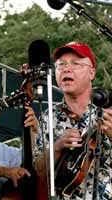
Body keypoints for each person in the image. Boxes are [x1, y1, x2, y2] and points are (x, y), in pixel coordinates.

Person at [34, 41, 112, 200]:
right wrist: (57, 147)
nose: (66, 69)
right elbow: (37, 174)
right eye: (60, 64)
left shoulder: (109, 109)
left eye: (76, 64)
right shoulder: (46, 118)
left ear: (92, 73)